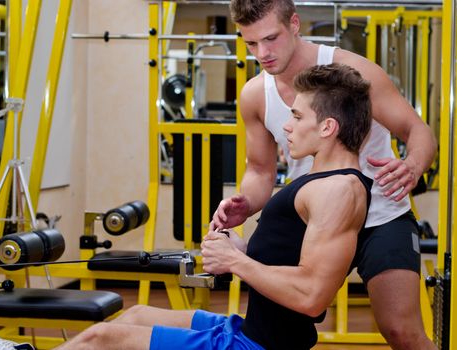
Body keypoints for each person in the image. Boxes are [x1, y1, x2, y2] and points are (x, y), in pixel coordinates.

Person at [55, 63, 373, 350]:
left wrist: (235, 261)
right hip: (250, 328)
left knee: (100, 340)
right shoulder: (325, 181)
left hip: (255, 345)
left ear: (328, 127)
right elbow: (297, 256)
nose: (287, 126)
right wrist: (245, 249)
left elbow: (312, 297)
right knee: (135, 315)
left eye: (297, 116)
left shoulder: (339, 190)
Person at [210, 1, 437, 349]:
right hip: (315, 221)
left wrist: (413, 165)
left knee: (400, 331)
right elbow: (259, 170)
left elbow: (417, 131)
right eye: (251, 44)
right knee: (276, 330)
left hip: (381, 214)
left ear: (295, 24)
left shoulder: (351, 72)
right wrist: (246, 203)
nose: (263, 53)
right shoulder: (255, 94)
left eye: (271, 38)